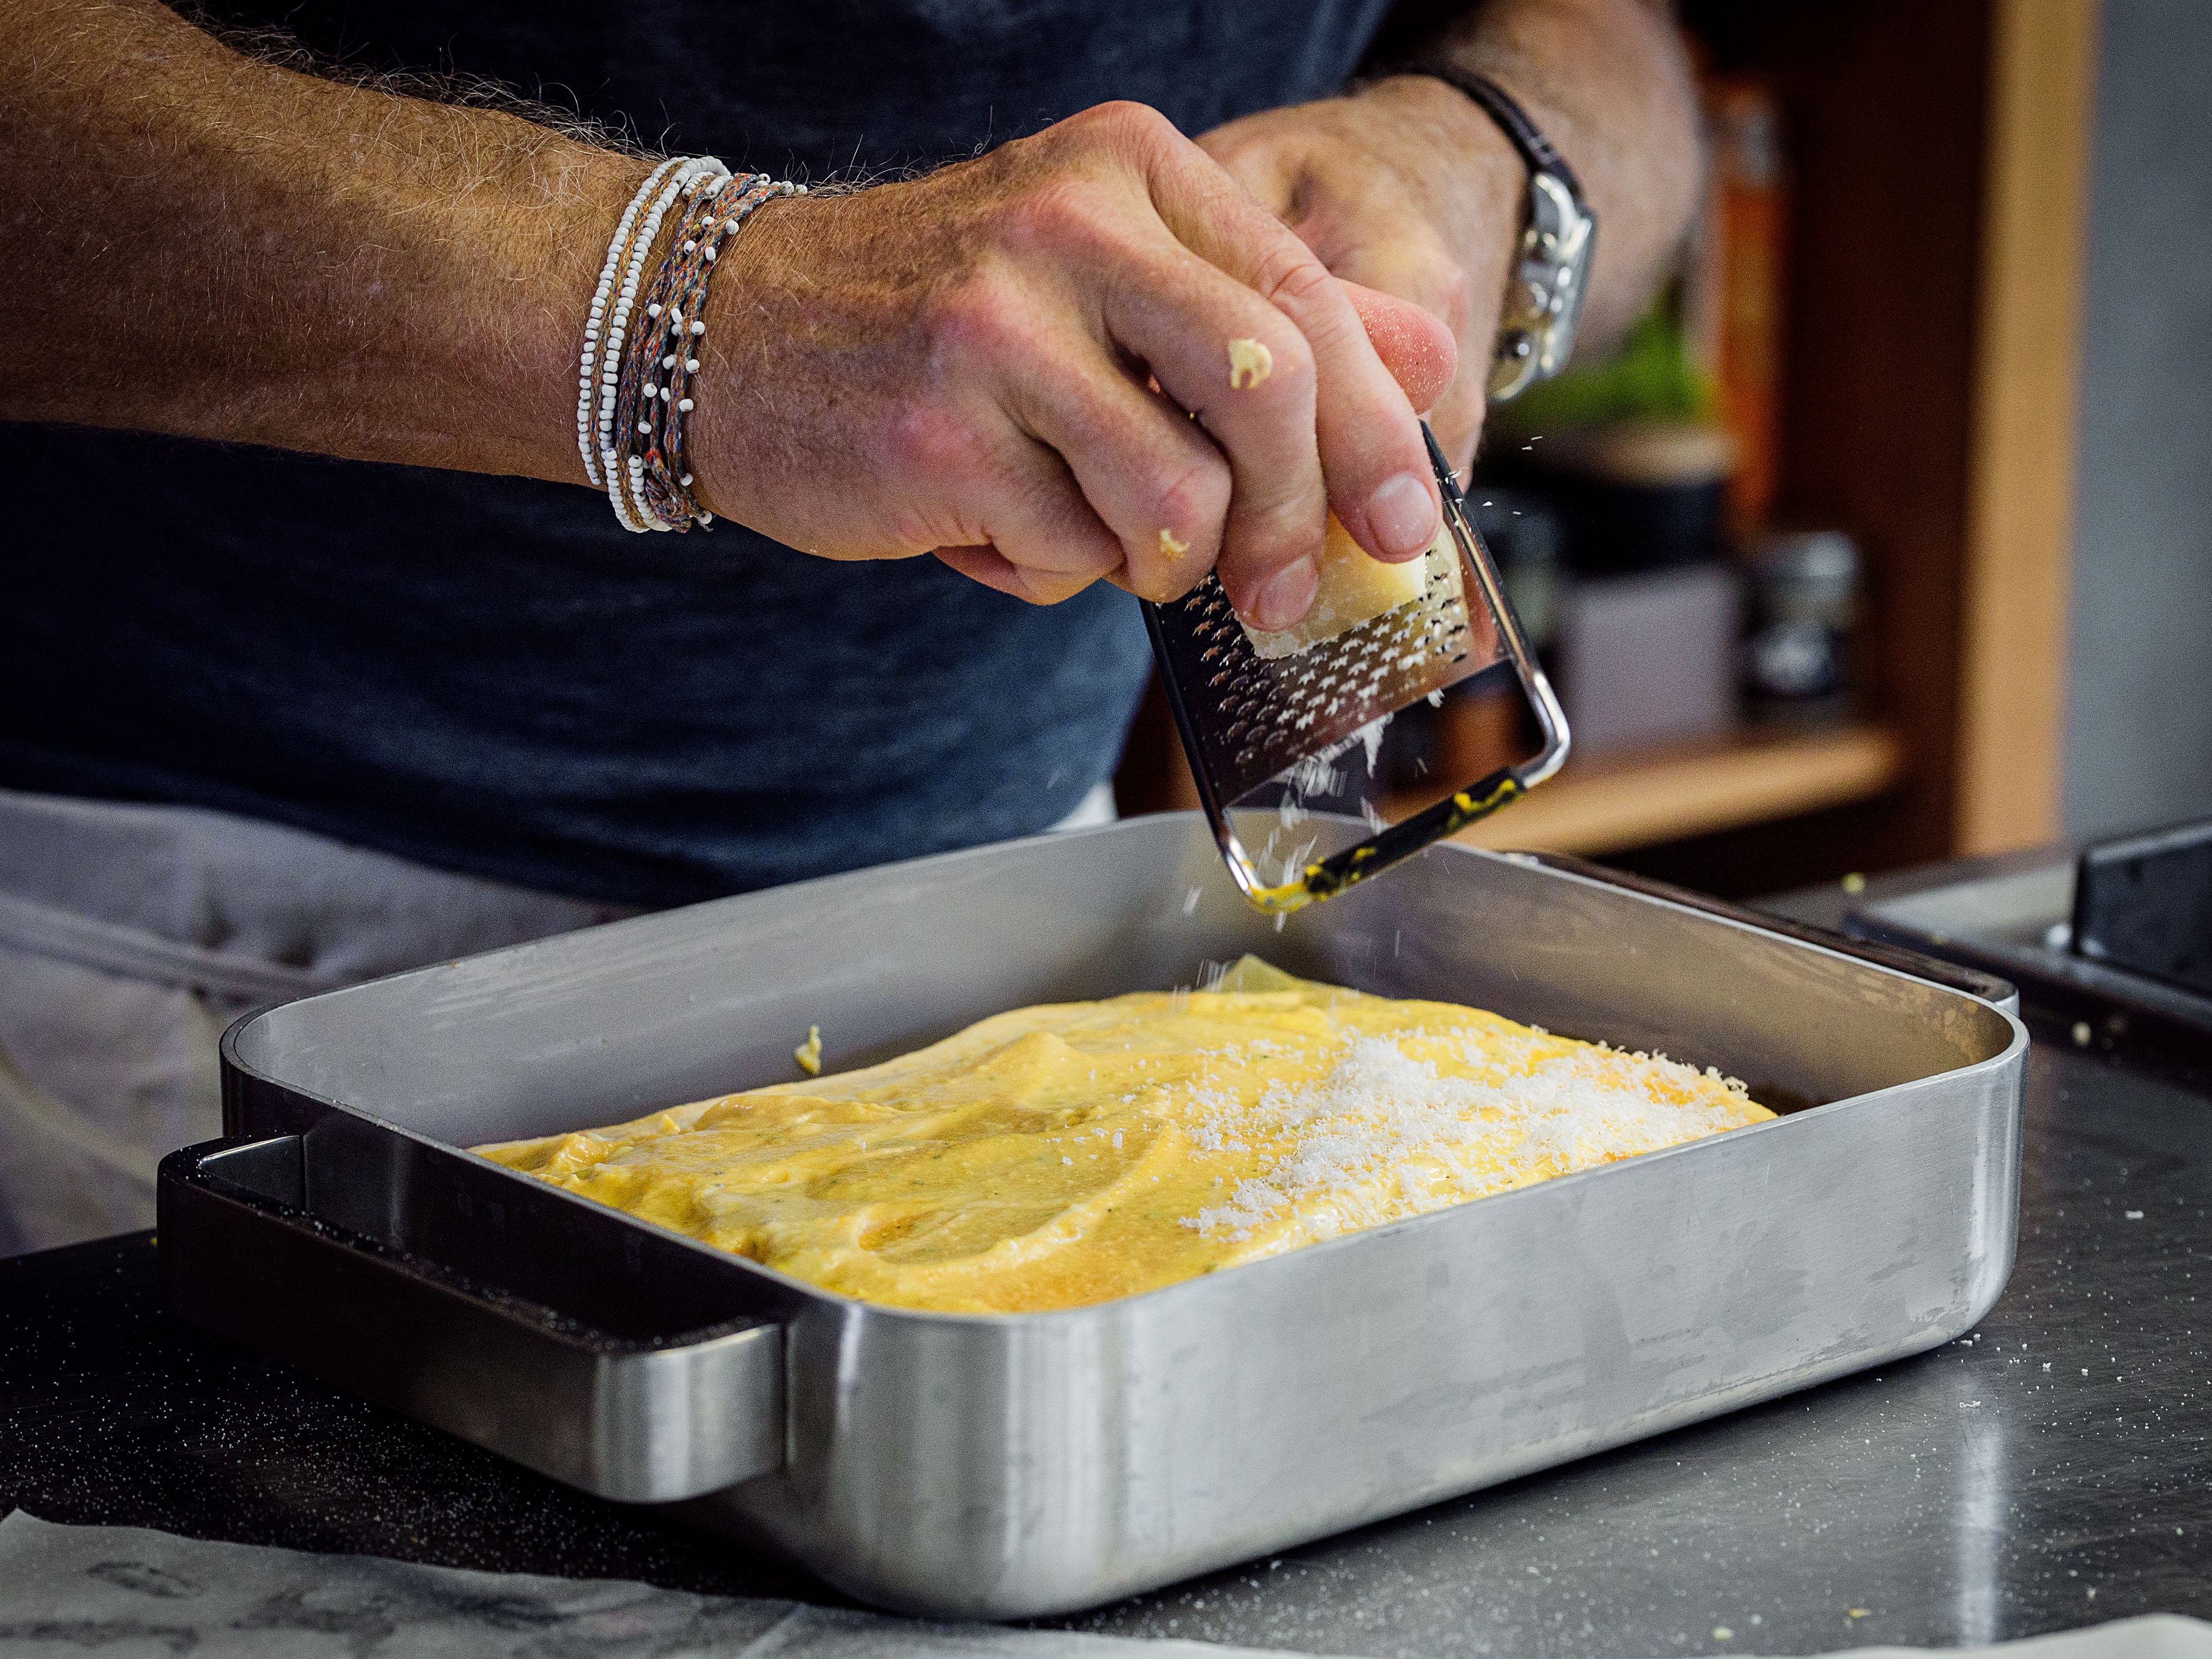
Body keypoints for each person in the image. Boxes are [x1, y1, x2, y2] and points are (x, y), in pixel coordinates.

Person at [0, 0, 1700, 1254]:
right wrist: (692, 312)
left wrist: (1486, 157)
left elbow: (1608, 49)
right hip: (189, 973)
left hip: (1029, 949)